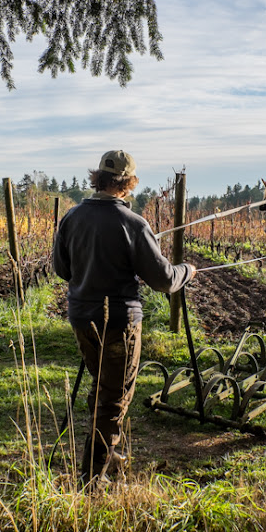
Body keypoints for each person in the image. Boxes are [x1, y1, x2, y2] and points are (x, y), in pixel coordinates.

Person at [52, 150, 196, 488]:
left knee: (102, 385)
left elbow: (61, 269)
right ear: (128, 183)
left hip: (81, 318)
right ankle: (92, 479)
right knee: (115, 398)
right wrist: (187, 271)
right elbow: (163, 280)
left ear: (98, 179)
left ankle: (109, 453)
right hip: (119, 324)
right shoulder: (134, 224)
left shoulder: (72, 218)